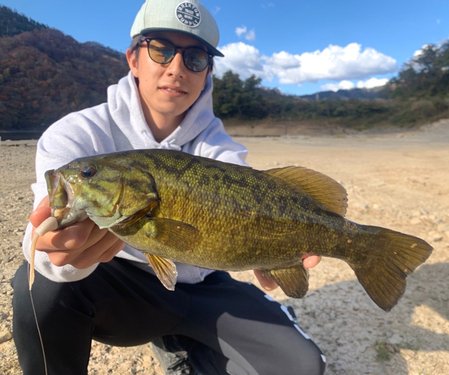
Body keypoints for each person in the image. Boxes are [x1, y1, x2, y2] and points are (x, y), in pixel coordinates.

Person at [11, 1, 326, 374]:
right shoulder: (76, 136)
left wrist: (273, 247)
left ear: (207, 72)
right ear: (133, 58)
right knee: (39, 289)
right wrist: (51, 251)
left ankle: (187, 348)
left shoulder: (217, 145)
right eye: (161, 49)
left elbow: (242, 188)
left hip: (208, 282)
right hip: (129, 291)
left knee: (302, 367)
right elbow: (46, 235)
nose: (176, 68)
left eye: (194, 58)